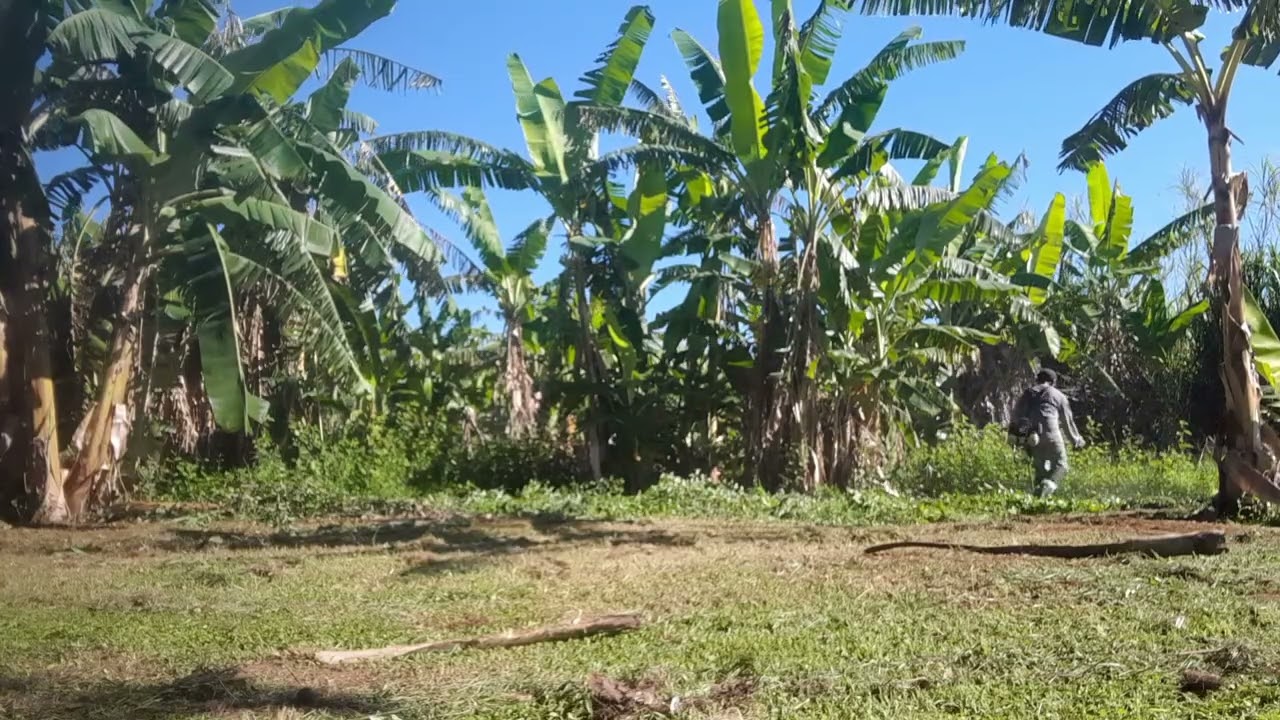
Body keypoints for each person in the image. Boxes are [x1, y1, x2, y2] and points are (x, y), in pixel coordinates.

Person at [1010, 369, 1085, 498]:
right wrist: (1076, 441)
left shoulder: (1027, 394)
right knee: (1061, 465)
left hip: (1032, 438)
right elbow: (1067, 422)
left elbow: (1016, 416)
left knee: (1040, 471)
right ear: (1053, 382)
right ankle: (1047, 488)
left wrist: (1019, 438)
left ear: (1037, 380)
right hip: (1052, 435)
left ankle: (1037, 501)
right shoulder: (1058, 395)